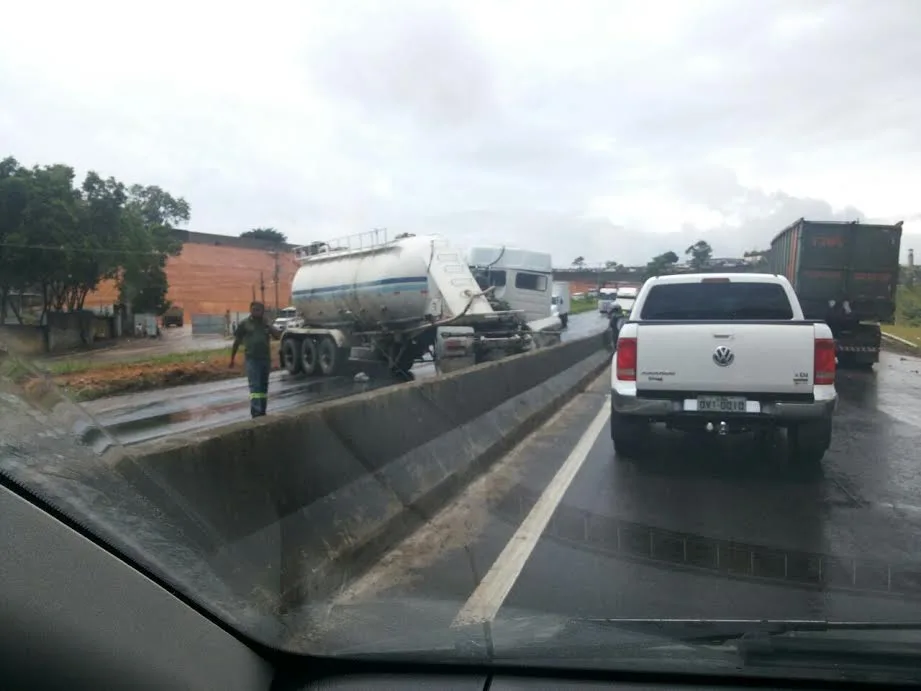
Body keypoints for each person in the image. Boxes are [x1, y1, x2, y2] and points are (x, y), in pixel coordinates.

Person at [229, 301, 282, 418]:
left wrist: (269, 325)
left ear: (262, 311)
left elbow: (277, 336)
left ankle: (263, 411)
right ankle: (256, 412)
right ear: (250, 310)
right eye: (253, 309)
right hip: (252, 360)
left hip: (265, 359)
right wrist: (232, 359)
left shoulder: (266, 323)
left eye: (258, 309)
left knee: (263, 386)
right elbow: (237, 341)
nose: (255, 312)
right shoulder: (245, 324)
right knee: (255, 386)